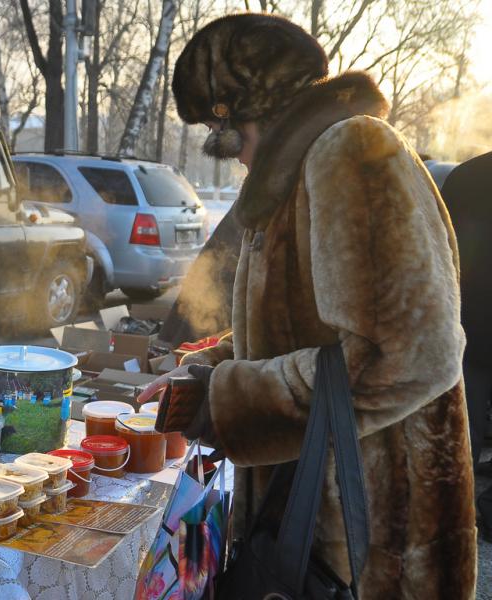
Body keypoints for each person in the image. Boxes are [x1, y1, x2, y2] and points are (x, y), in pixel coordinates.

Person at [139, 13, 476, 597]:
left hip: (373, 540)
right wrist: (204, 372)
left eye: (234, 139)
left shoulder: (352, 150)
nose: (237, 160)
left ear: (255, 114)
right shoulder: (290, 181)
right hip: (313, 520)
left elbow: (408, 354)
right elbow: (293, 334)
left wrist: (226, 401)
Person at [439, 151, 492, 541]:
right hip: (468, 331)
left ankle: (456, 516)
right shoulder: (466, 177)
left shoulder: (466, 176)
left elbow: (447, 256)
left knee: (463, 434)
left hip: (467, 329)